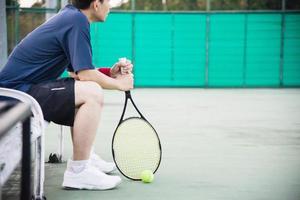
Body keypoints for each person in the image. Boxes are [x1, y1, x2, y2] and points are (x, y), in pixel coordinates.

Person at [0, 0, 133, 190]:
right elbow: (86, 74)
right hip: (17, 96)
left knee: (84, 88)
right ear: (96, 4)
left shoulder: (71, 17)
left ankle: (85, 156)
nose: (110, 7)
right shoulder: (76, 20)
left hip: (22, 91)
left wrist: (109, 73)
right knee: (92, 92)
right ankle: (79, 172)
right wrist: (120, 84)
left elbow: (77, 72)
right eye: (109, 2)